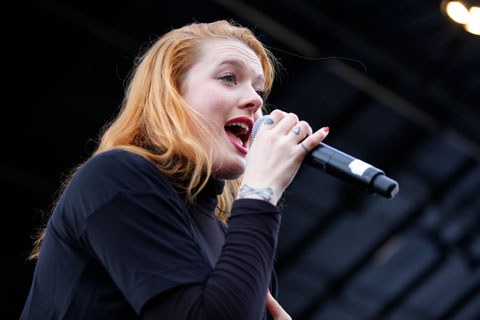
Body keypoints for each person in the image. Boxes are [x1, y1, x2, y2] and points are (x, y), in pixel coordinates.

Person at [20, 20, 329, 319]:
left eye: (260, 93)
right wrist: (260, 192)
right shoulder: (117, 177)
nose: (253, 101)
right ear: (171, 94)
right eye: (229, 78)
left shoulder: (229, 241)